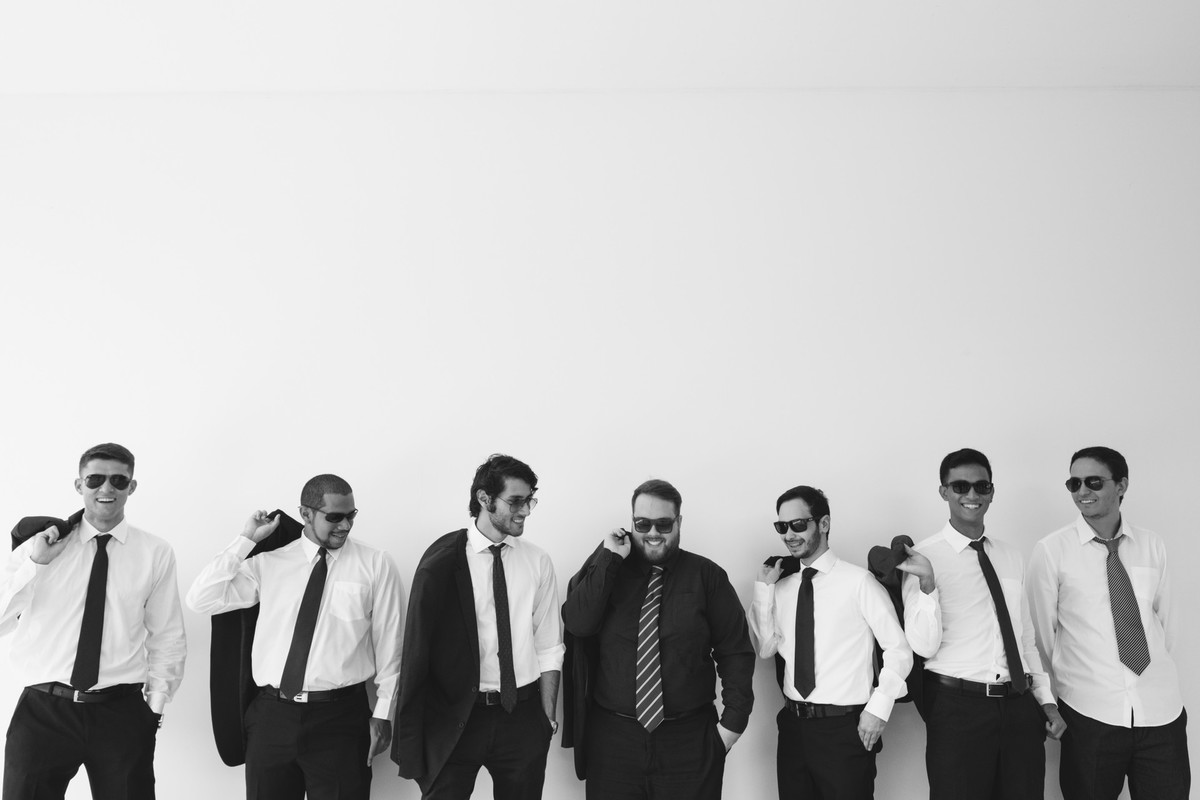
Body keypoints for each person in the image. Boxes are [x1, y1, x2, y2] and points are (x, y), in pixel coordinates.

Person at [187, 473, 403, 800]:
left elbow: (392, 644)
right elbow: (201, 599)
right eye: (335, 517)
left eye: (351, 515)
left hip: (341, 719)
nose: (345, 525)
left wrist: (384, 713)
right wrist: (246, 539)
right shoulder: (269, 563)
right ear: (305, 514)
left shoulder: (375, 563)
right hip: (272, 717)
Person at [0, 442, 187, 800]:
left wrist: (154, 709)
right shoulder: (40, 546)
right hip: (44, 711)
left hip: (122, 713)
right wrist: (36, 565)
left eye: (119, 480)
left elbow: (167, 635)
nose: (106, 488)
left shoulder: (155, 552)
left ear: (131, 487)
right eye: (95, 479)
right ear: (79, 484)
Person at [562, 478, 754, 800]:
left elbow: (735, 652)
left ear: (679, 522)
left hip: (689, 740)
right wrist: (609, 558)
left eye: (664, 524)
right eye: (642, 524)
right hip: (613, 742)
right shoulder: (610, 571)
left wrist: (730, 728)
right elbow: (578, 624)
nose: (653, 533)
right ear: (631, 522)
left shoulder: (708, 576)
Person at [392, 454, 563, 800]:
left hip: (522, 715)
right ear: (484, 499)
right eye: (515, 501)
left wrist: (546, 716)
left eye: (530, 501)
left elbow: (548, 644)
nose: (525, 511)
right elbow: (416, 651)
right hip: (457, 716)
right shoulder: (442, 561)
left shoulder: (538, 561)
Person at [900, 448, 1066, 800]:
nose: (972, 494)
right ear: (944, 491)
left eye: (982, 486)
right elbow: (923, 646)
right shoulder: (922, 557)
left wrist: (1045, 701)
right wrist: (928, 585)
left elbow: (1024, 638)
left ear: (992, 492)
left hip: (1019, 707)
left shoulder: (1010, 555)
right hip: (958, 710)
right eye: (960, 486)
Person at [1027, 446, 1189, 799]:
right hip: (1089, 716)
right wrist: (1060, 693)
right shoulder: (1052, 550)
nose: (1082, 491)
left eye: (1094, 482)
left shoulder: (1152, 545)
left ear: (1121, 485)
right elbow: (1040, 636)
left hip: (1160, 713)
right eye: (1074, 483)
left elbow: (1167, 626)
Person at [748, 485, 913, 799]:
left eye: (798, 524)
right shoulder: (781, 587)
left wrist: (878, 710)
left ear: (823, 523)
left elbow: (899, 650)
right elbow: (766, 648)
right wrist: (763, 591)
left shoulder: (858, 583)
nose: (789, 535)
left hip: (844, 730)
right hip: (793, 728)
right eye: (782, 527)